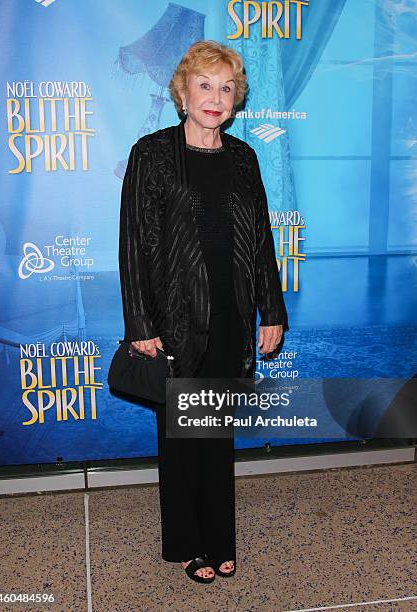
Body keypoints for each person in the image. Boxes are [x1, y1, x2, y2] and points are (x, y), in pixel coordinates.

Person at [118, 40, 288, 584]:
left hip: (233, 319)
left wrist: (272, 311)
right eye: (205, 86)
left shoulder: (244, 159)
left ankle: (220, 538)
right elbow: (134, 243)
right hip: (174, 320)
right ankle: (189, 544)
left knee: (215, 434)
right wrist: (141, 325)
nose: (216, 97)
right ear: (183, 93)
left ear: (236, 100)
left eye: (227, 88)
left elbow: (261, 241)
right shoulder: (152, 153)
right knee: (180, 437)